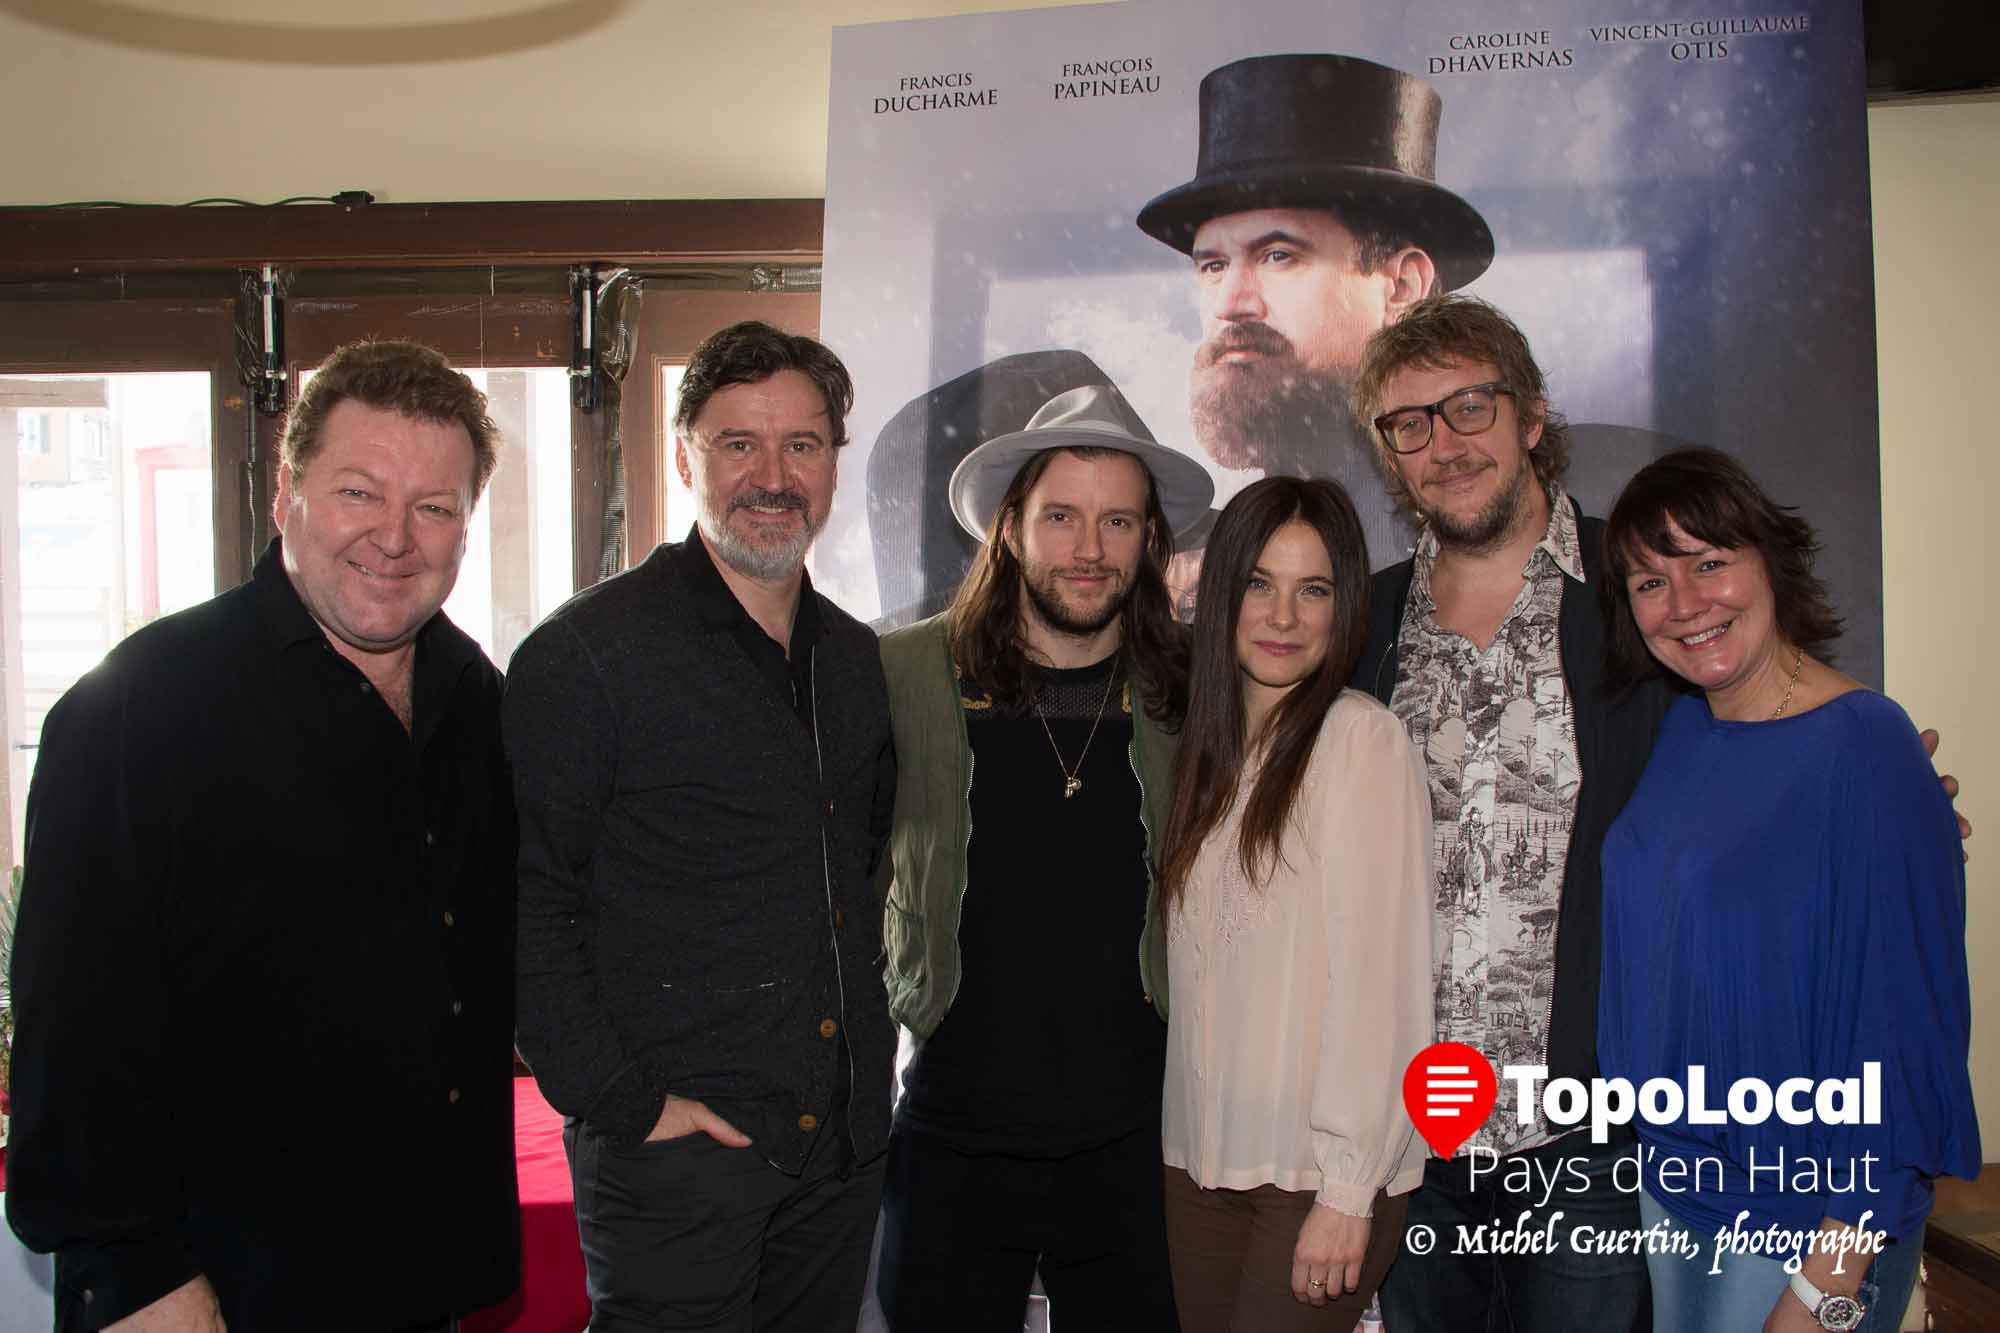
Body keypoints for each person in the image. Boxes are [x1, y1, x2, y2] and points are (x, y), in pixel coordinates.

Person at [6, 340, 519, 1331]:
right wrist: (136, 1277)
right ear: (287, 493)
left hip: (422, 1278)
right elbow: (75, 1033)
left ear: (466, 525)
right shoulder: (139, 708)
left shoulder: (483, 711)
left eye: (435, 506)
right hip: (207, 1295)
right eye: (359, 492)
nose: (395, 537)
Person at [505, 322, 896, 1332]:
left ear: (832, 465)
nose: (772, 476)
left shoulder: (854, 661)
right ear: (685, 455)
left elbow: (854, 875)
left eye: (801, 445)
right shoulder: (586, 655)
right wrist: (625, 1105)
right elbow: (528, 906)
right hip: (677, 1164)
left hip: (838, 1156)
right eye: (738, 444)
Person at [1595, 447, 1979, 1333]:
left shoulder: (1867, 749)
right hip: (1681, 1196)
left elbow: (1907, 1040)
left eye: (1709, 563)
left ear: (1771, 560)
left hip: (1803, 1230)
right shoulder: (1686, 730)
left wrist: (1823, 1284)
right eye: (1650, 582)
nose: (1684, 603)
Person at [874, 382, 1212, 1330]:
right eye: (1061, 516)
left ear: (1148, 540)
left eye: (1117, 521)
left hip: (1137, 1146)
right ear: (1010, 526)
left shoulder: (1192, 694)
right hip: (953, 1141)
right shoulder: (902, 675)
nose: (1089, 549)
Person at [1137, 53, 1668, 609]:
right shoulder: (1210, 552)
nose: (1230, 303)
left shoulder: (1617, 510)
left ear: (1402, 284)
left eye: (1277, 255)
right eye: (1212, 266)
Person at [1154, 477, 1432, 1331]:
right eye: (1259, 584)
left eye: (1313, 589)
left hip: (1316, 1181)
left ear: (1344, 603)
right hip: (1196, 1166)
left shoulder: (1360, 739)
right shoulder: (1206, 750)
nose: (1283, 615)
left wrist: (1349, 1187)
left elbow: (1381, 984)